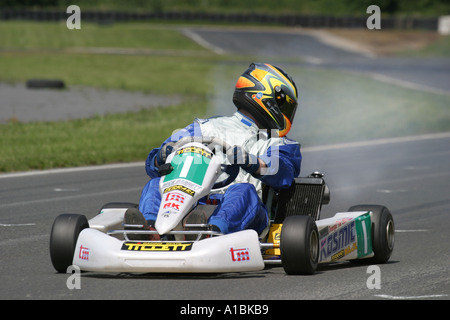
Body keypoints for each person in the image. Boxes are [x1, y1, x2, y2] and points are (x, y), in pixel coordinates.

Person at [125, 63, 301, 236]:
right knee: (156, 184)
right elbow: (155, 165)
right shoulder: (204, 127)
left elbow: (282, 172)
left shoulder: (279, 143)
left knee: (243, 190)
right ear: (270, 97)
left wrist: (250, 161)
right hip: (192, 202)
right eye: (286, 106)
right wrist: (160, 157)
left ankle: (211, 232)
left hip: (248, 213)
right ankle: (150, 229)